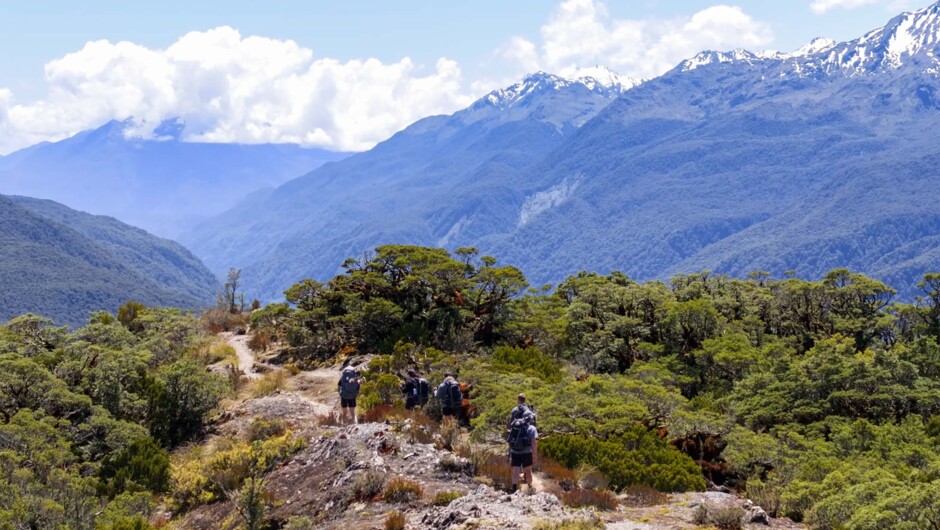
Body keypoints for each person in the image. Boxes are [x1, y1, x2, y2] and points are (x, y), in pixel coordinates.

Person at [507, 410, 538, 493]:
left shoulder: (516, 426)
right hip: (526, 452)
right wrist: (534, 455)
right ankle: (529, 487)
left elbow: (510, 440)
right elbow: (533, 443)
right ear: (531, 418)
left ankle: (514, 489)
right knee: (528, 470)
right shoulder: (532, 428)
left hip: (515, 451)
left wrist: (510, 452)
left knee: (516, 470)